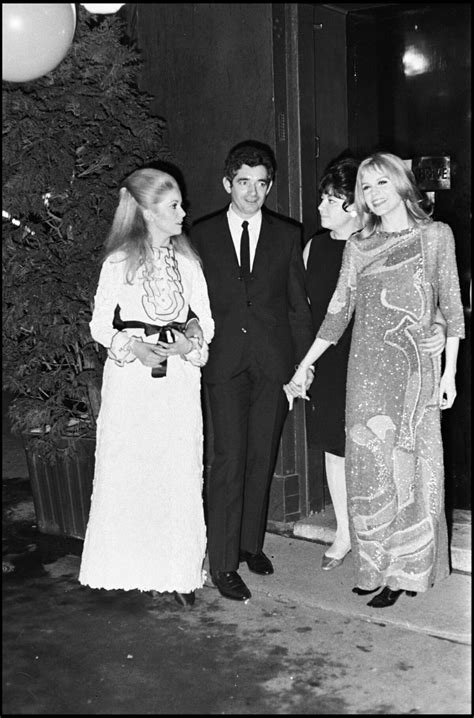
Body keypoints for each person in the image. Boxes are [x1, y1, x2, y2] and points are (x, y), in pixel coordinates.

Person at [286, 151, 464, 608]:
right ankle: (376, 565)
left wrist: (449, 369)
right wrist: (306, 363)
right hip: (364, 373)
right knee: (370, 472)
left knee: (413, 472)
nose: (374, 194)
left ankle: (407, 570)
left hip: (415, 372)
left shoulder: (435, 236)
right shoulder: (358, 246)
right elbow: (337, 312)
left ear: (402, 184)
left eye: (381, 183)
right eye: (365, 187)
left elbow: (450, 304)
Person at [78, 167, 214, 608]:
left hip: (177, 383)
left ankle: (179, 572)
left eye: (180, 204)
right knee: (136, 470)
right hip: (133, 383)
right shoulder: (119, 262)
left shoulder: (189, 262)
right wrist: (133, 347)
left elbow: (204, 321)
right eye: (173, 206)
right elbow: (100, 323)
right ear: (147, 212)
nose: (182, 212)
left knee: (177, 472)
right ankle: (132, 566)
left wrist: (187, 341)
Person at [190, 140, 314, 601]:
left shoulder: (287, 234)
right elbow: (192, 303)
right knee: (228, 461)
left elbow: (297, 307)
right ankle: (222, 564)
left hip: (273, 362)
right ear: (228, 183)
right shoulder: (200, 235)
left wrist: (302, 366)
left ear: (270, 186)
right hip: (223, 363)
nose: (253, 192)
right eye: (244, 182)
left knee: (262, 456)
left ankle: (249, 546)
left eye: (261, 184)